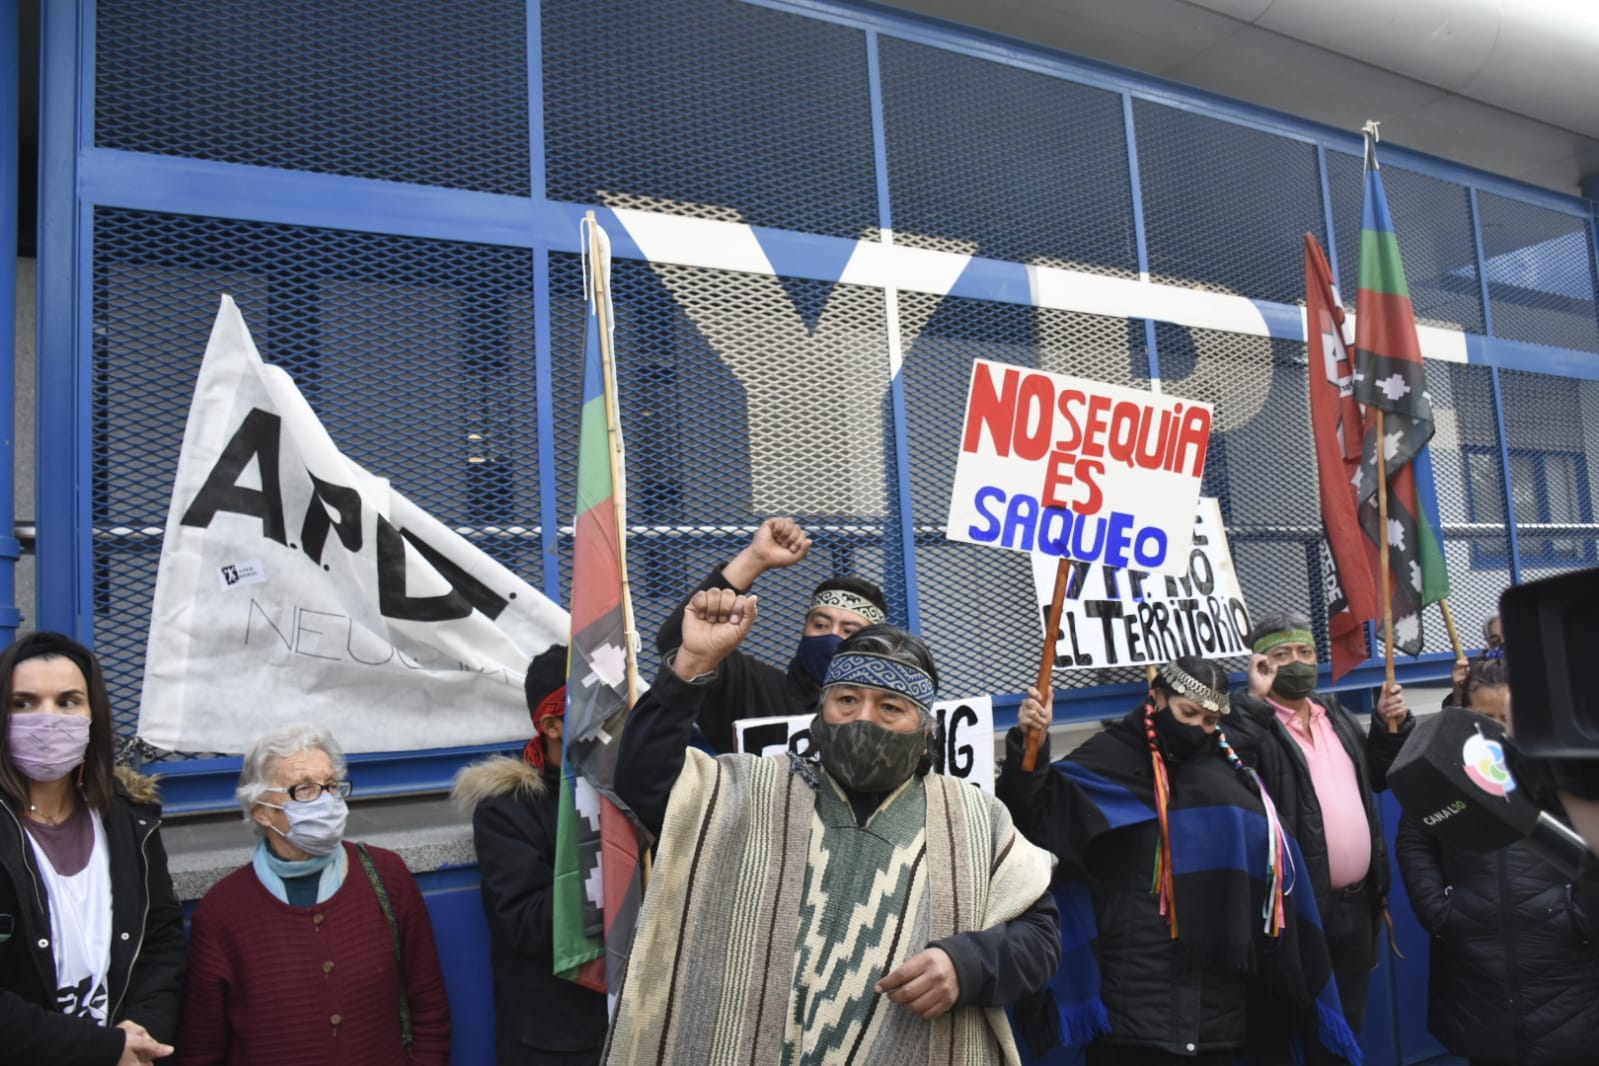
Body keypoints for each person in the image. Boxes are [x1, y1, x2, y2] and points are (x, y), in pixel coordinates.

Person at [608, 591, 1059, 1065]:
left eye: (890, 707)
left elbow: (1040, 936)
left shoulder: (975, 819)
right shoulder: (750, 789)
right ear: (819, 718)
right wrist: (691, 666)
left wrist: (967, 965)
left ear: (926, 736)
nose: (864, 719)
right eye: (847, 700)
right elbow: (644, 779)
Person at [996, 657, 1358, 1066]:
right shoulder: (1107, 763)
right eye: (1187, 713)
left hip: (1218, 1017)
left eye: (1208, 721)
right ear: (1158, 698)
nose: (1196, 729)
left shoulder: (1230, 776)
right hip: (1131, 1008)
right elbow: (1033, 824)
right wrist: (1032, 744)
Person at [177, 722, 451, 1064]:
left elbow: (429, 1005)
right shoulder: (223, 912)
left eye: (332, 786)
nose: (326, 801)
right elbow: (202, 1049)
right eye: (304, 789)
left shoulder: (387, 875)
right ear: (261, 809)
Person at [1396, 657, 1599, 1066]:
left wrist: (1582, 913)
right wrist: (1440, 910)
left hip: (1566, 964)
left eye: (1509, 716)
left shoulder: (1567, 765)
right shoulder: (1441, 773)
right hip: (1477, 969)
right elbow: (1414, 840)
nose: (1501, 729)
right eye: (1487, 717)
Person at [1226, 609, 1411, 1058]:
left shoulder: (1336, 716)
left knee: (1344, 1030)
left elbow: (1381, 779)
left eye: (1306, 651)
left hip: (1357, 907)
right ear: (1260, 664)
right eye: (1283, 655)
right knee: (1294, 1032)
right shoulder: (1249, 724)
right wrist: (1254, 701)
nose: (1298, 662)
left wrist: (1393, 728)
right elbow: (1234, 782)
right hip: (1298, 915)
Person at [0, 632, 187, 1066]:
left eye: (67, 701)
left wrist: (141, 1035)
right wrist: (102, 1049)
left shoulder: (128, 821)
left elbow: (161, 943)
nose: (47, 719)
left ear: (93, 715)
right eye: (23, 702)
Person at [452, 644, 608, 1065]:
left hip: (635, 1022)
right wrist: (614, 859)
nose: (612, 716)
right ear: (552, 725)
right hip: (557, 1040)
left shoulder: (630, 788)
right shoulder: (506, 808)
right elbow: (527, 923)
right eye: (596, 703)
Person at [655, 516, 889, 753]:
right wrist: (756, 559)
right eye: (820, 625)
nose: (832, 637)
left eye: (849, 631)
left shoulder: (889, 716)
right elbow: (680, 642)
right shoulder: (756, 691)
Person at [1445, 612, 1503, 708]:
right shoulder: (1479, 682)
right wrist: (1459, 695)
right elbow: (1459, 721)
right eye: (1496, 642)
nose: (1504, 645)